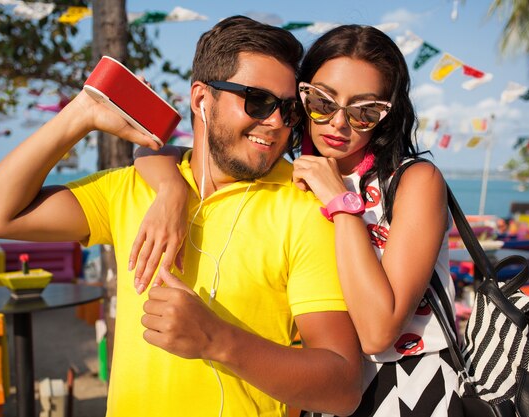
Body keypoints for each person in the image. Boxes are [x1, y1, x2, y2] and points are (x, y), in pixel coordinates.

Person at [0, 16, 363, 417]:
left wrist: (217, 340)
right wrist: (80, 115)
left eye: (289, 110)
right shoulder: (133, 189)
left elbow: (342, 387)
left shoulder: (301, 206)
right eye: (257, 101)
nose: (276, 122)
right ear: (202, 98)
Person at [131, 24, 463, 417]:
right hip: (313, 390)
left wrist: (341, 202)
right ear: (298, 98)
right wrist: (170, 190)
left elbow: (377, 331)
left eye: (365, 111)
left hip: (407, 388)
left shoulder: (414, 182)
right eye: (323, 102)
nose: (339, 123)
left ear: (387, 115)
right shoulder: (290, 174)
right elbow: (163, 152)